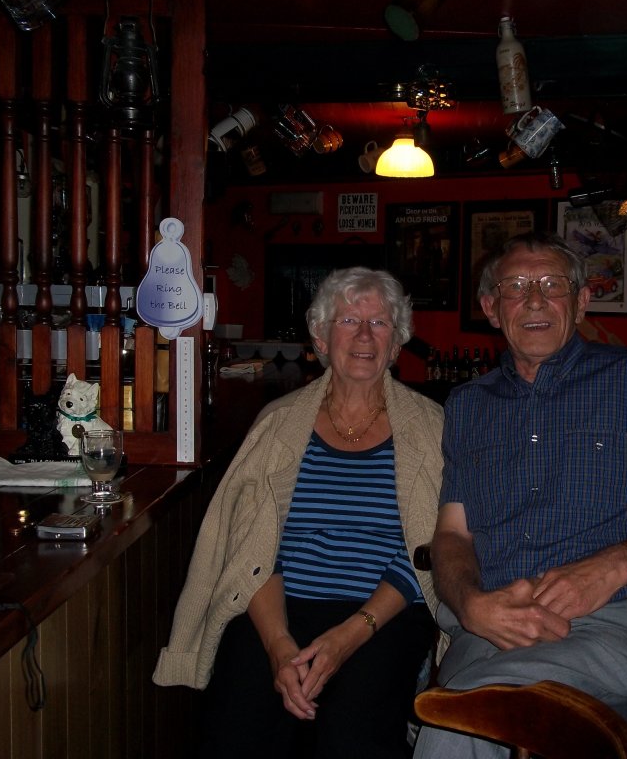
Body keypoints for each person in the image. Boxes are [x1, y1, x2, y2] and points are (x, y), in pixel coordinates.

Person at [413, 232, 627, 758]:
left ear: (581, 301)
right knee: (467, 719)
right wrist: (470, 605)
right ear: (492, 308)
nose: (534, 299)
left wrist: (617, 563)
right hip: (491, 629)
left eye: (551, 285)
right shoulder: (468, 406)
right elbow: (452, 535)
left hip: (606, 627)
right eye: (516, 287)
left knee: (458, 726)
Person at [154, 267, 444, 759]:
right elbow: (255, 543)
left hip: (382, 611)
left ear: (397, 345)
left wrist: (350, 635)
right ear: (321, 338)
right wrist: (279, 646)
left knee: (352, 733)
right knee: (236, 730)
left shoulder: (430, 426)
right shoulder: (278, 423)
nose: (364, 335)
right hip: (279, 604)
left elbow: (427, 547)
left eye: (380, 323)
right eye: (349, 320)